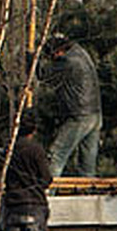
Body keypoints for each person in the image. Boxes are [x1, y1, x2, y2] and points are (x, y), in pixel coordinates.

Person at [38, 36, 101, 178]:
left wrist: (31, 60)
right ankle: (87, 195)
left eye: (52, 56)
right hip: (94, 114)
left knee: (56, 156)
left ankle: (48, 193)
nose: (52, 59)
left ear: (58, 51)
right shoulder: (81, 53)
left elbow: (43, 74)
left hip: (79, 116)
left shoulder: (68, 61)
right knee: (87, 164)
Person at [0, 132, 54, 231]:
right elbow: (46, 179)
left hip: (13, 207)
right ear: (34, 131)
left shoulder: (9, 151)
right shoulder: (36, 150)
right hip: (34, 205)